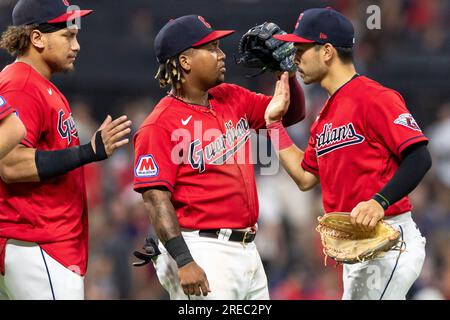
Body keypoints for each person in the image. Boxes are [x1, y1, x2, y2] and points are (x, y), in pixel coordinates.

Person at [132, 15, 305, 299]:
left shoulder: (231, 96)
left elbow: (291, 113)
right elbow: (155, 199)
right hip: (204, 250)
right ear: (185, 61)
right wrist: (184, 261)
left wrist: (286, 73)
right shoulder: (159, 124)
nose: (222, 54)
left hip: (249, 248)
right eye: (212, 48)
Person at [264, 7, 432, 300]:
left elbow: (419, 157)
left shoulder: (374, 97)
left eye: (302, 49)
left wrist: (379, 202)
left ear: (327, 51)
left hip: (390, 239)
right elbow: (305, 178)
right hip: (358, 252)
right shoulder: (323, 117)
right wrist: (273, 125)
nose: (295, 58)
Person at [0, 0, 132, 300]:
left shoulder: (38, 86)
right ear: (37, 38)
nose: (77, 46)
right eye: (68, 35)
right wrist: (87, 152)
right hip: (35, 242)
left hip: (39, 244)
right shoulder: (20, 85)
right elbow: (11, 165)